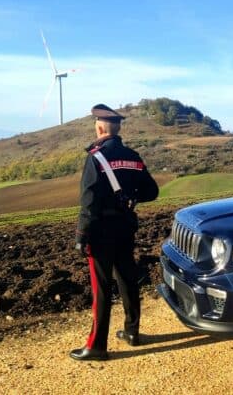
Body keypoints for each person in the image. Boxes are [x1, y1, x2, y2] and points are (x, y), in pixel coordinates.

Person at [70, 103, 159, 361]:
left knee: (101, 288)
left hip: (100, 231)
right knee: (127, 280)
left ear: (99, 127)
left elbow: (88, 201)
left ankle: (96, 346)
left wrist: (81, 236)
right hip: (125, 227)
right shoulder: (133, 156)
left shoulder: (95, 157)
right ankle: (132, 332)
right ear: (117, 128)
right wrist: (131, 198)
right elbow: (152, 191)